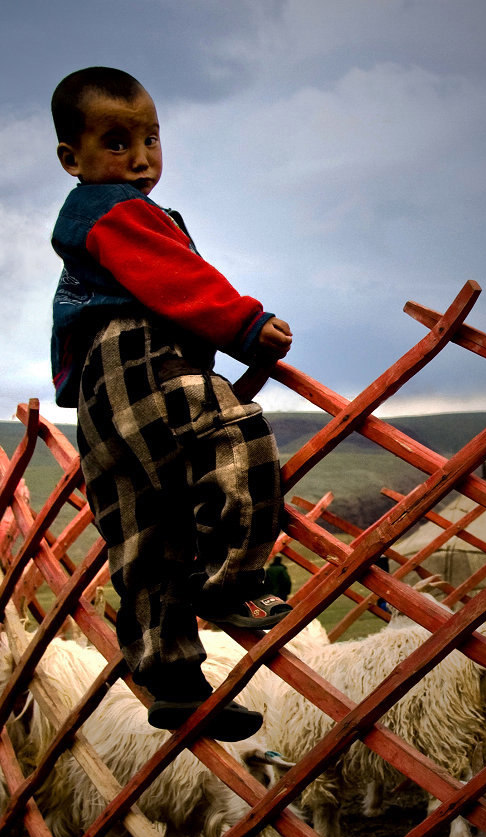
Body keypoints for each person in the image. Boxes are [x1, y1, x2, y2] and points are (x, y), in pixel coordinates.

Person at [50, 67, 293, 740]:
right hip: (139, 357)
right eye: (117, 141)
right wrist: (246, 324)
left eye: (150, 138)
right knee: (234, 433)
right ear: (73, 158)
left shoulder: (97, 215)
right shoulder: (117, 211)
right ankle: (232, 577)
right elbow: (177, 279)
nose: (140, 157)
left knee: (146, 531)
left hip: (101, 396)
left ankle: (175, 681)